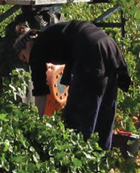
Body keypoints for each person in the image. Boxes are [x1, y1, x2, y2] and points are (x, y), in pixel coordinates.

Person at [13, 20, 131, 150]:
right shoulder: (50, 36)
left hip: (90, 50)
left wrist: (37, 124)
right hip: (109, 45)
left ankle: (80, 156)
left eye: (24, 57)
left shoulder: (37, 48)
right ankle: (102, 155)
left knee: (79, 114)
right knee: (105, 109)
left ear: (28, 45)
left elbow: (41, 90)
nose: (27, 62)